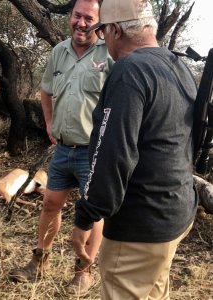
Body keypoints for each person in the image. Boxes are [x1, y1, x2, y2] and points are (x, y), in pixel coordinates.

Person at [72, 0, 199, 299]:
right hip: (177, 213)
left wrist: (85, 217)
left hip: (138, 228)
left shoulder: (130, 70)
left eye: (103, 33)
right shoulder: (178, 65)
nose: (104, 42)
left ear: (115, 30)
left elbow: (113, 154)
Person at [8, 0, 113, 296]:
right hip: (63, 150)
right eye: (77, 16)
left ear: (100, 22)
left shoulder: (109, 55)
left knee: (92, 214)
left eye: (88, 18)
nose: (81, 23)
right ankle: (38, 262)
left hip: (94, 151)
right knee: (50, 204)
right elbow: (46, 89)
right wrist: (50, 122)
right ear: (70, 16)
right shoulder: (59, 51)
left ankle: (83, 270)